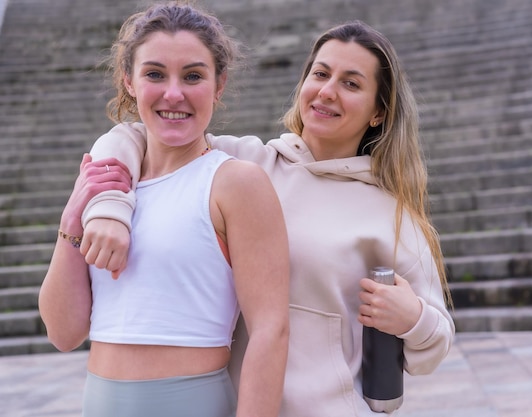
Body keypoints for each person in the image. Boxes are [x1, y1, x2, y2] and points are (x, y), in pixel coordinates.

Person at [77, 19, 455, 416]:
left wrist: (412, 318)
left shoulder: (391, 214)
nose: (327, 92)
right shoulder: (244, 163)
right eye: (321, 74)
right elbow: (133, 135)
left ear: (378, 112)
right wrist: (110, 210)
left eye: (351, 83)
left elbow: (433, 347)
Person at [38, 3, 290, 417]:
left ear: (219, 84)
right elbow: (64, 333)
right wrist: (71, 224)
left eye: (193, 76)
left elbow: (270, 331)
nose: (174, 93)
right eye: (155, 74)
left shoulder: (235, 182)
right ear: (129, 81)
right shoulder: (109, 189)